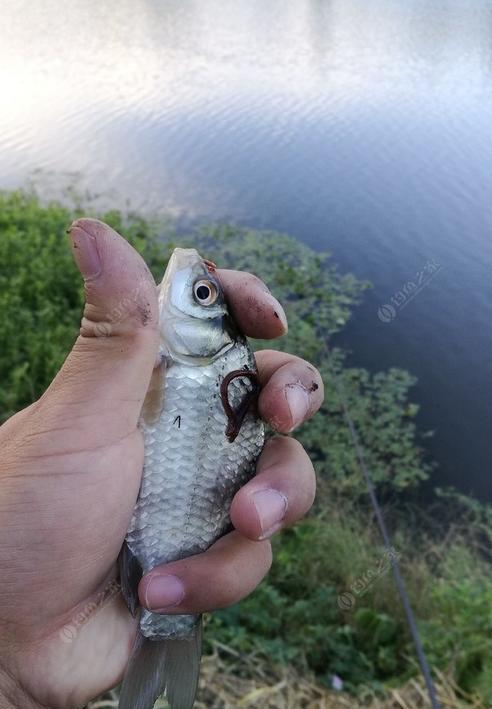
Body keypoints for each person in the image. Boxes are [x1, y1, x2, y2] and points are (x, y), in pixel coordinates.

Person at [0, 219, 323, 709]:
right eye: (203, 292)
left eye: (198, 293)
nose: (186, 276)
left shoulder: (198, 361)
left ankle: (168, 628)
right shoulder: (162, 356)